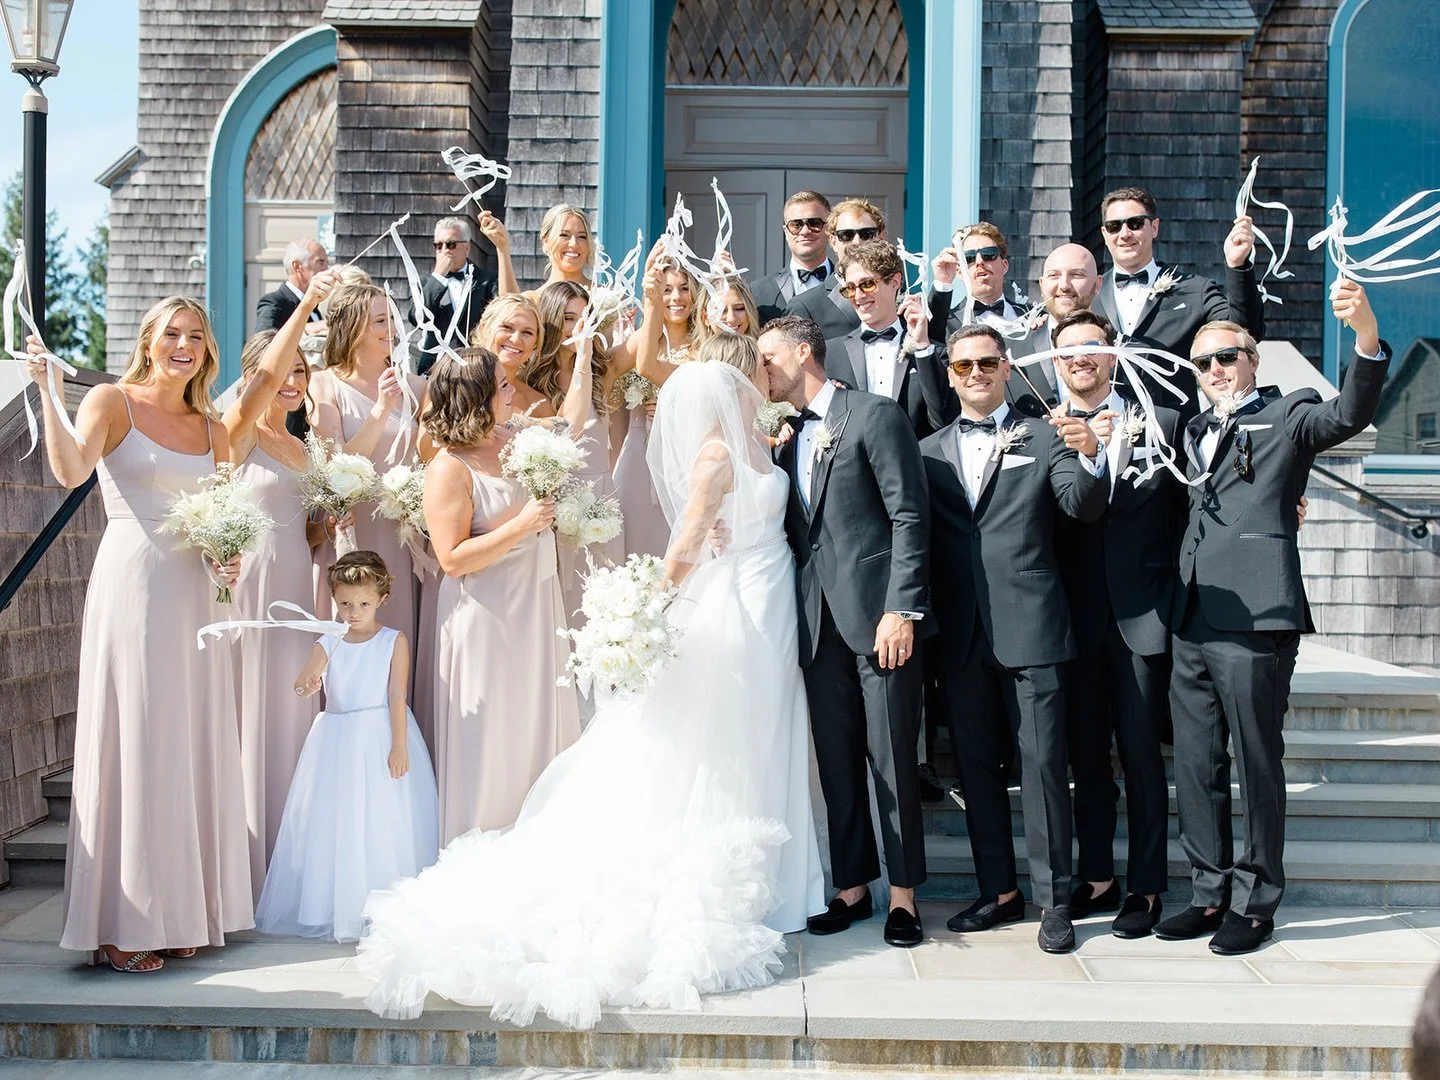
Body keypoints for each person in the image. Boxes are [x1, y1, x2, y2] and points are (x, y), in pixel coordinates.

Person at [358, 360, 824, 1026]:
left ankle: (774, 871)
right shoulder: (715, 455)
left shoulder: (745, 447)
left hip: (742, 592)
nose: (754, 395)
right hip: (687, 600)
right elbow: (685, 536)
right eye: (740, 387)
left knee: (747, 728)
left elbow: (577, 428)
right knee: (718, 733)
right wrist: (644, 602)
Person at [1156, 281, 1389, 955]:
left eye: (1227, 357)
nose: (1216, 369)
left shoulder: (1290, 413)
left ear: (1252, 361)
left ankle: (1257, 903)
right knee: (1196, 762)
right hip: (1192, 612)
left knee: (1256, 759)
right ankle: (1207, 892)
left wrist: (1365, 337)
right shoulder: (1192, 429)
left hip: (1257, 615)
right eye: (1203, 362)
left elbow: (1347, 414)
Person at [25, 300, 251, 973]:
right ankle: (121, 924)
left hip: (195, 598)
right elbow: (70, 471)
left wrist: (228, 559)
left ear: (207, 351)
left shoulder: (214, 430)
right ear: (149, 341)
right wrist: (47, 391)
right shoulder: (111, 401)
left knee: (188, 743)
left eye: (195, 337)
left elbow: (221, 522)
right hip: (135, 587)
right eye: (171, 334)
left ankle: (180, 911)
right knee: (140, 741)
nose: (183, 345)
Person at [919, 322, 1109, 954]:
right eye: (963, 366)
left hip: (1033, 626)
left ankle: (1054, 902)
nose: (975, 374)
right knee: (975, 770)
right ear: (949, 376)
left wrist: (1090, 454)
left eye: (986, 363)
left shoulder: (1048, 434)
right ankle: (998, 891)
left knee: (1044, 767)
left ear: (1006, 368)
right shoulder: (928, 451)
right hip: (961, 633)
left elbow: (1082, 506)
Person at [761, 314, 930, 949]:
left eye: (769, 357)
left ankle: (904, 896)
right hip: (813, 622)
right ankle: (852, 886)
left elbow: (909, 515)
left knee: (892, 758)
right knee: (836, 760)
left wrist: (902, 608)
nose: (762, 369)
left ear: (804, 352)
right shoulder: (780, 435)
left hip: (878, 616)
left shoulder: (874, 414)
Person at [1048, 310, 1184, 939]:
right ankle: (1098, 875)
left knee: (1140, 754)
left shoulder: (1163, 422)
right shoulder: (1039, 430)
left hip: (1143, 615)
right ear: (1054, 362)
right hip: (1072, 619)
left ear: (1114, 353)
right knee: (1084, 757)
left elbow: (1190, 510)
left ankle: (1146, 887)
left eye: (1092, 346)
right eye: (1067, 350)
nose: (1080, 357)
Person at [421, 347, 585, 843]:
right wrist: (521, 525)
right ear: (478, 397)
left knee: (538, 725)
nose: (513, 390)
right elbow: (452, 559)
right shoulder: (449, 468)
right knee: (493, 737)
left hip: (536, 607)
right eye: (503, 386)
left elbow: (573, 425)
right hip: (486, 618)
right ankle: (486, 842)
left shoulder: (516, 440)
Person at [255, 550, 438, 942]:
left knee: (382, 817)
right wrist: (307, 686)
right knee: (339, 819)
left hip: (380, 734)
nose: (354, 612)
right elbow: (303, 681)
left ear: (382, 599)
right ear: (335, 600)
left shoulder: (393, 641)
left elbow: (396, 695)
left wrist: (399, 745)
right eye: (345, 604)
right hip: (337, 740)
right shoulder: (329, 641)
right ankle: (336, 906)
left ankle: (384, 903)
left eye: (363, 604)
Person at [225, 268, 339, 895]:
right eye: (284, 372)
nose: (293, 382)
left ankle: (287, 854)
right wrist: (311, 300)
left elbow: (307, 530)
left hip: (299, 587)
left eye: (302, 372)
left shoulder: (303, 446)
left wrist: (328, 520)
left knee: (294, 710)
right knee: (253, 708)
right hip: (253, 588)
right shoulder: (239, 432)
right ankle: (242, 856)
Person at [309, 283, 427, 643]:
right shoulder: (323, 384)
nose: (392, 328)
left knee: (397, 630)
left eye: (393, 318)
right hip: (351, 528)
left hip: (400, 532)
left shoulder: (417, 388)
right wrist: (381, 409)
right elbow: (335, 466)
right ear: (353, 327)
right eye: (380, 320)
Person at [1091, 186, 1263, 419]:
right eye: (1114, 226)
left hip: (1178, 429)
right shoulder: (1090, 296)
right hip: (1105, 428)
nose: (1124, 233)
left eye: (1135, 223)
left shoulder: (1194, 289)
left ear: (1154, 227)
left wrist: (1237, 265)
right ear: (1104, 233)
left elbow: (1245, 331)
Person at [613, 251, 702, 557]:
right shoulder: (642, 340)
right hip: (638, 459)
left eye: (684, 288)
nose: (676, 298)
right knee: (634, 544)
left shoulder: (705, 345)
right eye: (667, 289)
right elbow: (604, 372)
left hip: (688, 456)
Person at [825, 237, 955, 438]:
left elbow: (942, 422)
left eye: (867, 284)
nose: (858, 296)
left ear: (895, 282)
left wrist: (922, 347)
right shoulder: (830, 354)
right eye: (850, 288)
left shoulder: (932, 352)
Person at [413, 213, 516, 374]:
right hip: (435, 368)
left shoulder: (487, 281)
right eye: (438, 246)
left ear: (467, 248)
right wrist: (438, 277)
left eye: (451, 244)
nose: (444, 251)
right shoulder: (425, 283)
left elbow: (508, 311)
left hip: (474, 367)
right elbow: (418, 319)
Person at [1008, 242, 1104, 416]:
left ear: (1097, 284)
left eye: (1077, 274)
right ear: (1042, 284)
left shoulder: (1122, 349)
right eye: (1054, 275)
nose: (1064, 285)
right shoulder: (1012, 353)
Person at [928, 223, 1046, 355]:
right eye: (969, 258)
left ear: (1004, 265)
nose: (979, 262)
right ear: (959, 271)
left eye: (988, 254)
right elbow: (929, 347)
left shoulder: (1034, 316)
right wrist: (943, 282)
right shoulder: (945, 324)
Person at [785, 198, 887, 339]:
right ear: (833, 241)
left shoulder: (902, 292)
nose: (857, 242)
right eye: (846, 235)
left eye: (866, 234)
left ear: (881, 237)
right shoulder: (805, 306)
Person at [749, 189, 833, 323]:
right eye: (796, 225)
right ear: (786, 232)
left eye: (814, 223)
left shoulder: (852, 285)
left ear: (829, 228)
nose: (805, 231)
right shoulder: (757, 291)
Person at [256, 237, 329, 332]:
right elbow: (264, 339)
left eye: (327, 263)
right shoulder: (274, 303)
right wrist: (307, 328)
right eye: (320, 263)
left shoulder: (315, 304)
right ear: (297, 267)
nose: (327, 269)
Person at [538, 203, 594, 287]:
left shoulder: (606, 293)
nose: (574, 244)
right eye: (564, 235)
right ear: (546, 241)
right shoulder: (533, 296)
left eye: (582, 236)